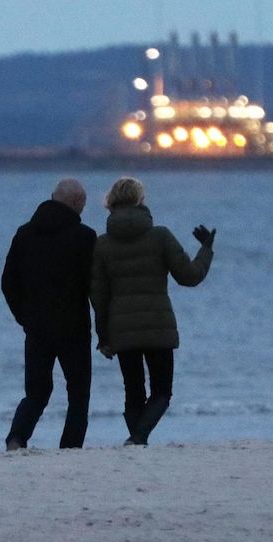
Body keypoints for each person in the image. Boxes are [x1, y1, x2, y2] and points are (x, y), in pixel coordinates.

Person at [90, 177, 215, 446]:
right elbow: (189, 276)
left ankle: (137, 441)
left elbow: (98, 297)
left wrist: (103, 337)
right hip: (158, 324)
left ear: (111, 202)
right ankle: (138, 439)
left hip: (122, 328)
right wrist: (206, 250)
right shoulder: (160, 236)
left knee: (132, 391)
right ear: (140, 200)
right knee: (162, 392)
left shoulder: (102, 244)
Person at [1, 178, 97, 450]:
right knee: (78, 393)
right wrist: (105, 327)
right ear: (76, 203)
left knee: (36, 392)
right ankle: (70, 447)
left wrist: (24, 316)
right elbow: (95, 287)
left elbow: (8, 282)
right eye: (83, 204)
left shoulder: (25, 234)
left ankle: (16, 438)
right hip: (74, 327)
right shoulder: (85, 237)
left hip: (37, 327)